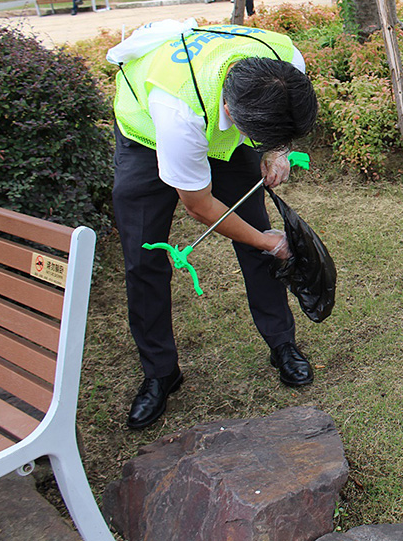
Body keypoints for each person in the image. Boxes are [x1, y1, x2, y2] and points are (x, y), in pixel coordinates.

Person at [109, 22, 319, 429]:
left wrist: (278, 152)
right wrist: (268, 241)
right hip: (146, 135)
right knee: (143, 257)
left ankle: (282, 344)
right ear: (233, 112)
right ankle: (160, 372)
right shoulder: (178, 112)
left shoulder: (282, 58)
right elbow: (200, 205)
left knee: (255, 238)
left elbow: (283, 125)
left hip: (214, 117)